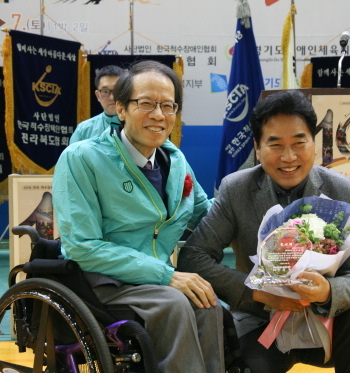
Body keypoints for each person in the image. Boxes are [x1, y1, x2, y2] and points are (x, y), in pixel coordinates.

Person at [177, 89, 350, 373]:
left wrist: (327, 291)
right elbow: (194, 255)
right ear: (257, 147)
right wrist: (255, 292)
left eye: (299, 142)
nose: (288, 157)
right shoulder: (236, 189)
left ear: (314, 144)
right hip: (261, 320)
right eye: (275, 145)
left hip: (329, 317)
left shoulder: (345, 193)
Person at [53, 60, 223, 373]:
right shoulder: (83, 158)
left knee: (208, 304)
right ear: (120, 109)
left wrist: (261, 215)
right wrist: (167, 275)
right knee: (175, 305)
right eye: (146, 104)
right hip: (102, 282)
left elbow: (206, 214)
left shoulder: (176, 161)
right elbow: (82, 246)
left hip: (156, 280)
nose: (159, 115)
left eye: (168, 106)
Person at [69, 65, 124, 144]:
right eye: (105, 91)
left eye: (117, 90)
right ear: (98, 95)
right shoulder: (83, 130)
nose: (112, 97)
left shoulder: (137, 125)